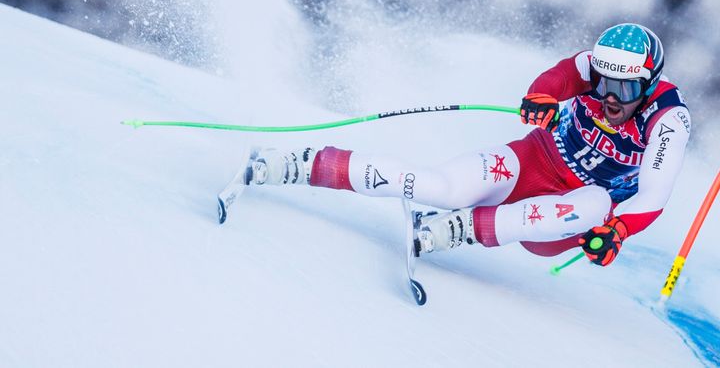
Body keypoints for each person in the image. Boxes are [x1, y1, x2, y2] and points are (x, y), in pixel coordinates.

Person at [246, 23, 691, 267]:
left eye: (625, 89)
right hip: (532, 160)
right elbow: (557, 77)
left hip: (565, 217)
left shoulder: (669, 119)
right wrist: (541, 98)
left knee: (595, 204)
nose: (611, 96)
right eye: (604, 82)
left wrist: (619, 231)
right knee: (440, 187)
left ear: (649, 83)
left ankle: (460, 229)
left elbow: (654, 192)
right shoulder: (594, 68)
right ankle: (303, 165)